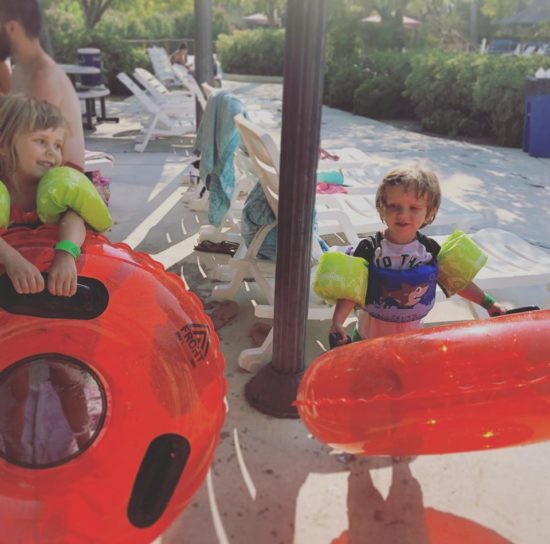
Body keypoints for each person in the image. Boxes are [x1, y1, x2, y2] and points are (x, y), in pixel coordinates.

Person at [329, 166, 506, 346]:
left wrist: (489, 304)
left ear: (429, 212)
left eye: (414, 207)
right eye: (393, 206)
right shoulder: (369, 248)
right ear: (381, 207)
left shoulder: (429, 250)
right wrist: (337, 322)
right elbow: (350, 292)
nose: (403, 214)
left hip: (411, 340)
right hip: (367, 340)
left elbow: (458, 281)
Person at [0, 94, 85, 297]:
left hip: (51, 285)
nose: (52, 152)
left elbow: (74, 218)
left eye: (57, 145)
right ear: (4, 144)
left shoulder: (58, 188)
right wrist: (12, 259)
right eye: (41, 141)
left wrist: (66, 255)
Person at [0, 0, 85, 171]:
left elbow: (25, 149)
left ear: (11, 29)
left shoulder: (45, 78)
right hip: (29, 169)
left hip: (59, 181)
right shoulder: (21, 69)